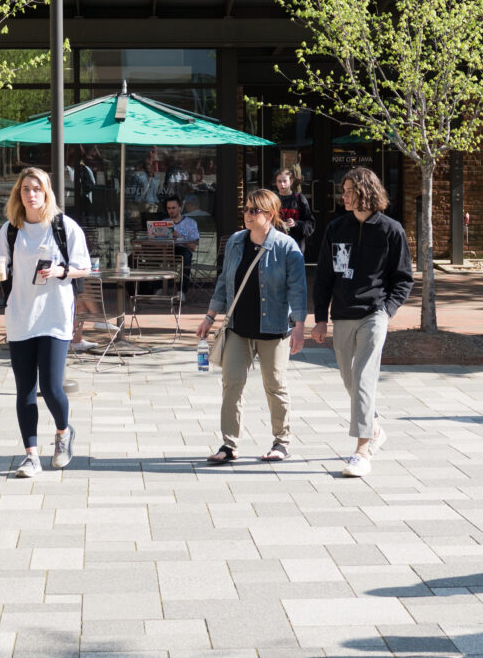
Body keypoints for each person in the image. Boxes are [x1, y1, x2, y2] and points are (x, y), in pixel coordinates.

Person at [0, 166, 94, 479]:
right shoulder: (10, 230)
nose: (30, 194)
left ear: (46, 193)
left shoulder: (64, 227)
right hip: (20, 316)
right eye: (25, 189)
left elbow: (84, 268)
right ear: (19, 195)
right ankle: (31, 456)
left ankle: (62, 433)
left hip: (56, 316)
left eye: (36, 189)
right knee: (25, 390)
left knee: (51, 386)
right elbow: (0, 266)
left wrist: (61, 271)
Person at [307, 166, 413, 478]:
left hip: (374, 313)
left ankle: (362, 450)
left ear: (366, 191)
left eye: (349, 191)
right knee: (348, 378)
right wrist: (320, 319)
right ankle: (375, 428)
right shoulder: (336, 228)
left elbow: (403, 278)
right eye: (344, 191)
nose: (344, 196)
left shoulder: (392, 230)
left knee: (364, 376)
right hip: (342, 314)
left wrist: (387, 309)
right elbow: (324, 275)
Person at [201, 189, 310, 466]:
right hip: (238, 327)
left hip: (273, 329)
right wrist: (210, 316)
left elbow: (298, 290)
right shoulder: (237, 242)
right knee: (231, 385)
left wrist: (299, 327)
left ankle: (281, 442)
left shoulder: (286, 247)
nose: (248, 214)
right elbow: (224, 281)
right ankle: (229, 444)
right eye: (247, 209)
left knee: (275, 386)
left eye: (254, 210)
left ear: (270, 215)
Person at [275, 167, 316, 261]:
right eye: (279, 181)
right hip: (276, 244)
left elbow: (310, 223)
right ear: (276, 183)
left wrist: (296, 224)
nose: (282, 184)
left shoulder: (299, 199)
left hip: (295, 244)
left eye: (285, 181)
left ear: (291, 181)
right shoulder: (272, 199)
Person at [161, 195, 199, 290]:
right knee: (150, 255)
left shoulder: (191, 223)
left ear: (180, 207)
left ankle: (182, 291)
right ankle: (156, 288)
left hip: (182, 250)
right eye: (169, 208)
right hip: (165, 250)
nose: (171, 211)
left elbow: (193, 247)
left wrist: (179, 237)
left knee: (186, 255)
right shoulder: (163, 223)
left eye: (173, 208)